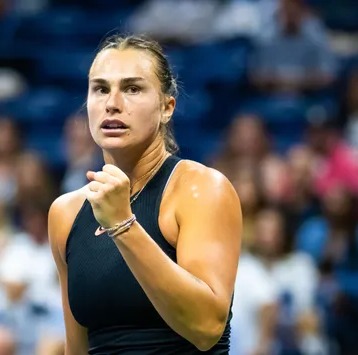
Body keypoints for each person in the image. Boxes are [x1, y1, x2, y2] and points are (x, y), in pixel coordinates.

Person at [48, 34, 243, 354]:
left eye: (132, 88)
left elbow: (206, 327)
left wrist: (123, 224)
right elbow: (77, 348)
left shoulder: (201, 190)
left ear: (167, 107)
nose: (112, 103)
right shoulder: (65, 213)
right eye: (100, 89)